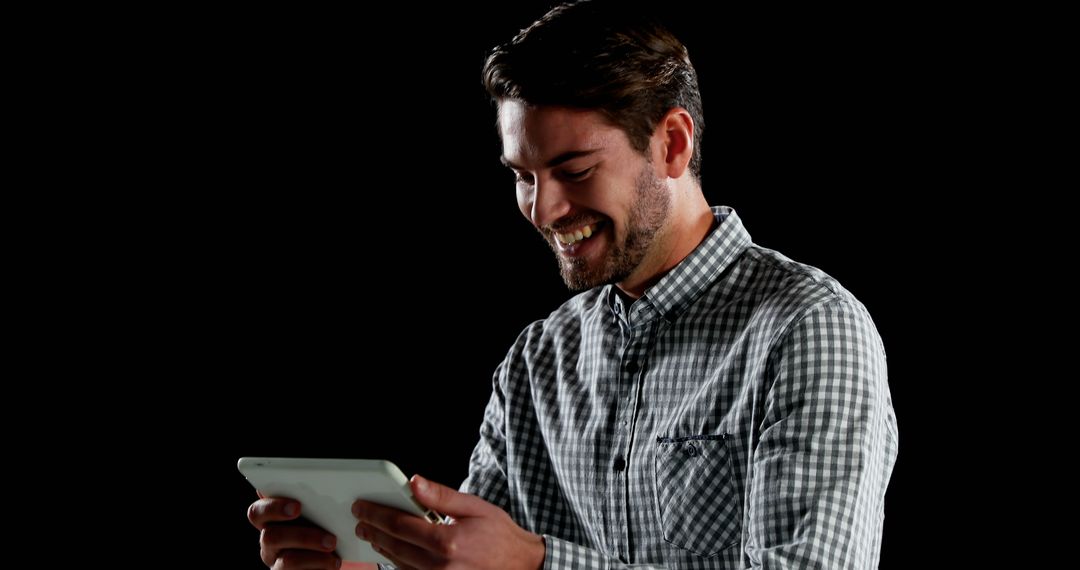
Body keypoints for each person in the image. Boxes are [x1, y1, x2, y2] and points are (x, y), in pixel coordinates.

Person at [247, 1, 899, 568]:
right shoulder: (537, 360)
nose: (545, 208)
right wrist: (375, 566)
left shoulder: (810, 327)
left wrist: (538, 564)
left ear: (672, 144)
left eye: (575, 169)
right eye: (523, 176)